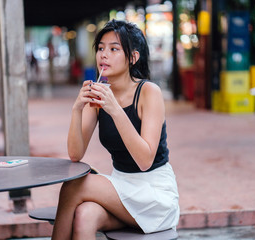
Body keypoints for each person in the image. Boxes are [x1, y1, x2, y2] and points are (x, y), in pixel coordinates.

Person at [51, 19, 179, 240]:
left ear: (133, 57)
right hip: (122, 187)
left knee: (74, 185)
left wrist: (115, 109)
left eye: (113, 49)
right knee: (85, 215)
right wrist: (77, 109)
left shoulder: (149, 92)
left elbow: (145, 160)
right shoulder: (99, 95)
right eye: (100, 48)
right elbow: (75, 154)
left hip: (154, 193)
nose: (104, 55)